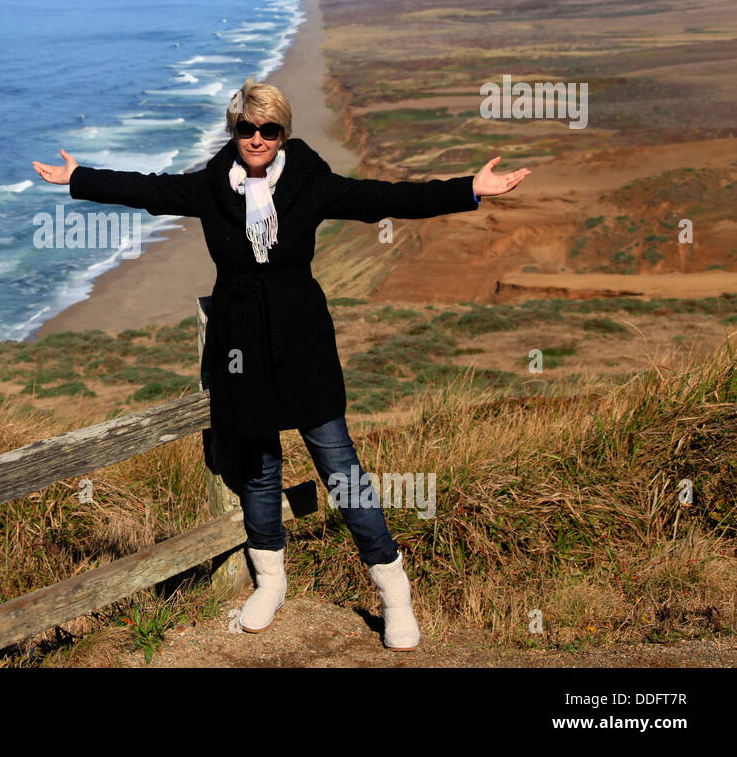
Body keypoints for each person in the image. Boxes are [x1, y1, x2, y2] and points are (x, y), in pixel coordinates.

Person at [33, 76, 530, 649]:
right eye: (247, 128)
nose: (257, 138)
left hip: (303, 341)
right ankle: (270, 582)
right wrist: (79, 178)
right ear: (234, 130)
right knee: (259, 468)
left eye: (269, 130)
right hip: (240, 345)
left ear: (283, 133)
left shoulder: (310, 183)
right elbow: (149, 189)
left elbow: (384, 198)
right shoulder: (210, 186)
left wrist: (469, 188)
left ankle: (394, 594)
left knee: (341, 468)